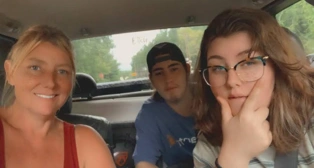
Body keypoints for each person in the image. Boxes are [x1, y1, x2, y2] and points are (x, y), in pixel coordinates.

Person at [192, 8, 314, 167]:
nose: (231, 81)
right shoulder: (207, 146)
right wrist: (235, 155)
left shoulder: (310, 119)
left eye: (248, 63)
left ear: (277, 67)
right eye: (217, 68)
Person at [0, 25, 116, 168]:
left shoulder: (86, 142)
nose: (50, 82)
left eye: (62, 71)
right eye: (35, 68)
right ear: (10, 72)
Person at [133, 42, 197, 168]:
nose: (168, 79)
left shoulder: (210, 99)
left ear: (187, 70)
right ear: (151, 79)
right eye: (159, 73)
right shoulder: (150, 113)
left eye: (174, 69)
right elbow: (144, 163)